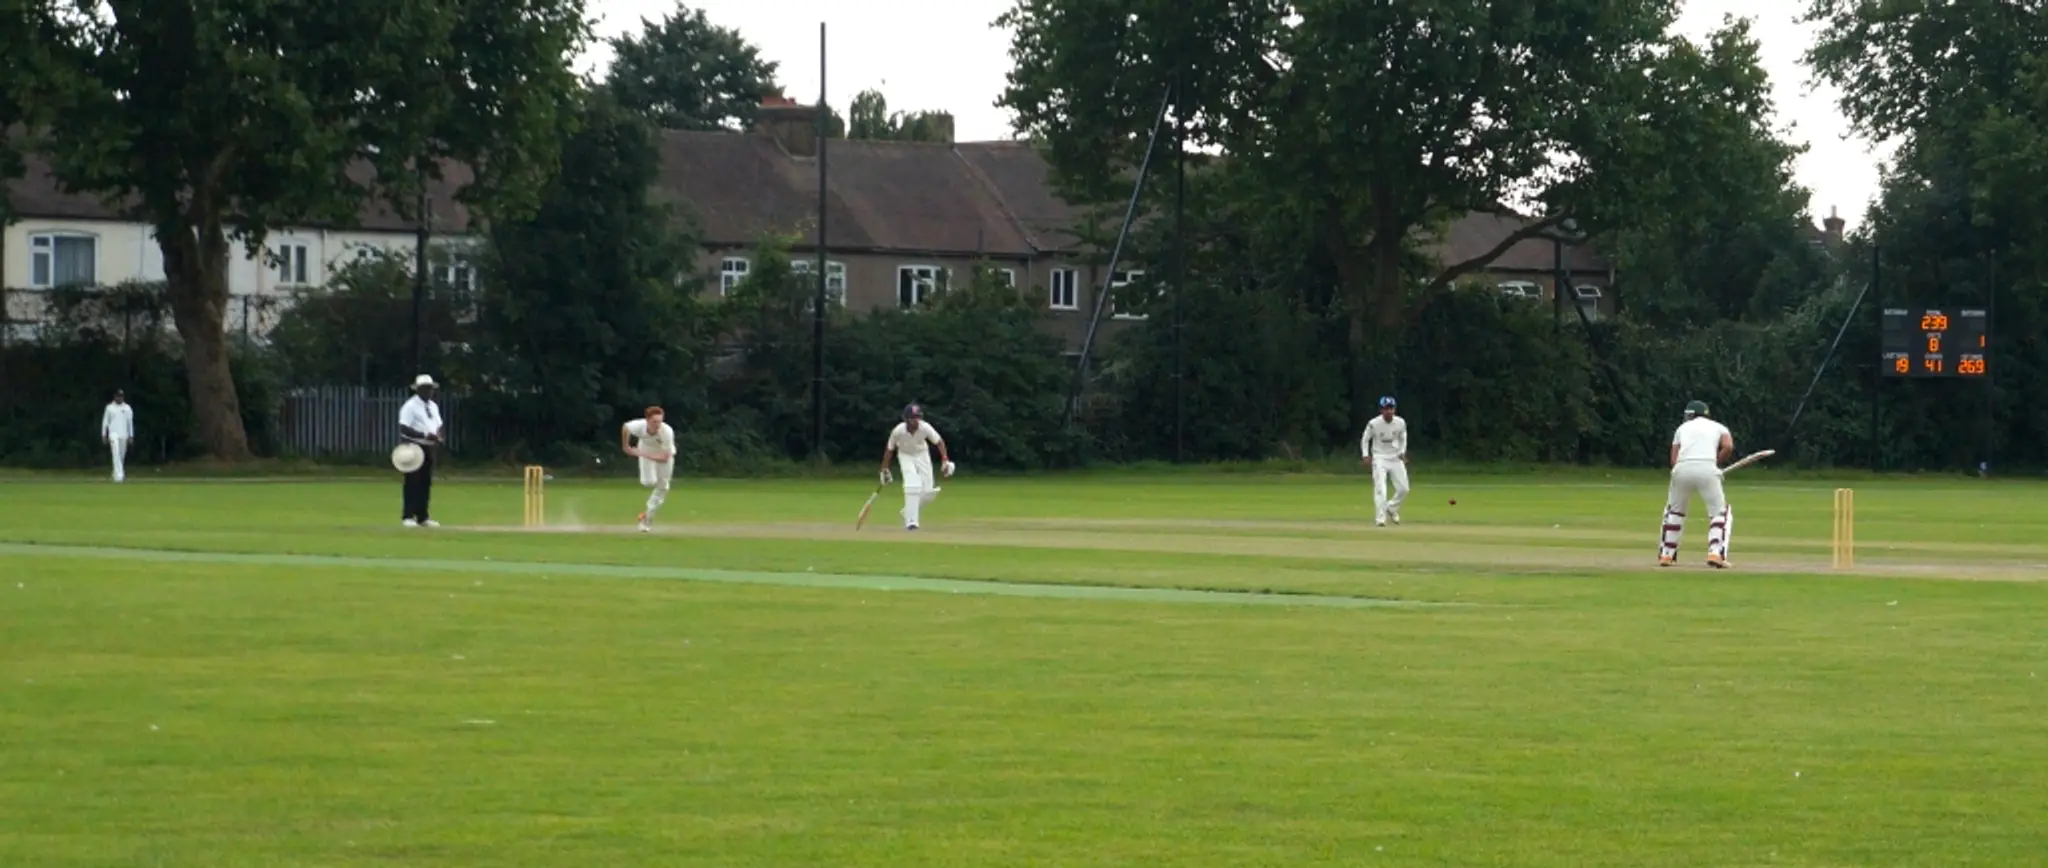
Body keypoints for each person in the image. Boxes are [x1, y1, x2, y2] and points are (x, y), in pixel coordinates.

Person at [1659, 399, 1735, 568]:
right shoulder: (1719, 427)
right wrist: (1715, 463)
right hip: (1708, 467)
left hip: (1681, 468)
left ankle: (1666, 555)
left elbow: (1673, 459)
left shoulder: (1681, 428)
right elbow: (1728, 446)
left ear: (1691, 414)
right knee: (1719, 513)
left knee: (1675, 512)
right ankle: (1716, 553)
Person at [880, 404, 954, 531]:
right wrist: (885, 469)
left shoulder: (925, 427)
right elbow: (889, 449)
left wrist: (945, 460)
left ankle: (907, 512)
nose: (916, 420)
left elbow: (939, 442)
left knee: (929, 491)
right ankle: (912, 522)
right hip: (905, 455)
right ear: (906, 419)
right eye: (913, 418)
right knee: (912, 484)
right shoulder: (898, 431)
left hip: (922, 454)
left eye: (918, 417)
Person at [620, 406, 677, 533]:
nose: (658, 425)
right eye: (654, 422)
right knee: (648, 482)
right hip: (645, 451)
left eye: (660, 421)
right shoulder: (639, 426)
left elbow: (664, 457)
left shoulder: (667, 431)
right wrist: (626, 446)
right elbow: (626, 427)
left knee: (663, 486)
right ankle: (646, 516)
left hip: (664, 455)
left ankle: (646, 519)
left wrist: (640, 454)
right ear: (647, 420)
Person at [397, 374, 444, 528]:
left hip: (428, 447)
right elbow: (404, 428)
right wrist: (424, 435)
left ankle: (423, 516)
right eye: (425, 389)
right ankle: (408, 516)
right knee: (412, 482)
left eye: (430, 389)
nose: (428, 392)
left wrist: (438, 436)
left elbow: (438, 424)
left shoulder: (433, 406)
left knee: (425, 482)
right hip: (414, 447)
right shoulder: (410, 406)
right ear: (418, 390)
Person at [1360, 395, 1410, 526]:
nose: (1389, 411)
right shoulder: (1373, 424)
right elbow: (1365, 439)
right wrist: (1365, 455)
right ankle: (1380, 519)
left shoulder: (1400, 422)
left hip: (1395, 458)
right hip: (1380, 458)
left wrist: (1402, 453)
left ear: (1395, 410)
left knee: (1404, 489)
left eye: (1391, 408)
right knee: (1381, 488)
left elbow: (1403, 438)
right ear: (1381, 410)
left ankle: (1391, 508)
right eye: (1386, 409)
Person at [101, 389, 134, 483]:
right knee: (115, 453)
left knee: (121, 455)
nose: (120, 398)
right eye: (118, 396)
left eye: (121, 396)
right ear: (114, 397)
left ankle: (115, 473)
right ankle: (119, 477)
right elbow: (105, 422)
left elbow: (130, 423)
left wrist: (131, 435)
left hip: (124, 434)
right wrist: (104, 434)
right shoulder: (109, 407)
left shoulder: (127, 408)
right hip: (113, 434)